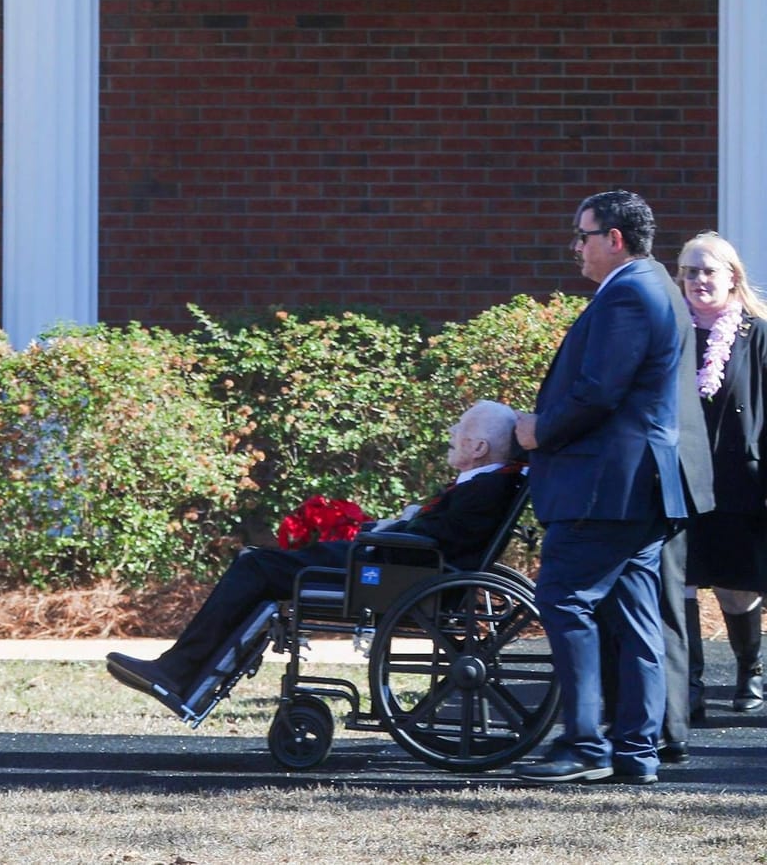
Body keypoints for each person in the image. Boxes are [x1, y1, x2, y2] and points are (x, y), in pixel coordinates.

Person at [106, 400, 529, 711]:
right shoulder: (486, 483)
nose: (451, 433)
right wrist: (397, 524)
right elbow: (440, 532)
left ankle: (177, 672)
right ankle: (181, 675)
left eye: (459, 428)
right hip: (393, 566)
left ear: (477, 447)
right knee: (257, 563)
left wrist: (393, 528)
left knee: (255, 564)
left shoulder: (486, 487)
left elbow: (435, 540)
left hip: (394, 576)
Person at [512, 190, 689, 786]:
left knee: (564, 599)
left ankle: (585, 743)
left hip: (607, 488)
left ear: (614, 238)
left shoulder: (632, 294)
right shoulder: (654, 286)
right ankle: (635, 754)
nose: (575, 247)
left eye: (582, 235)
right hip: (637, 489)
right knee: (636, 620)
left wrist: (539, 431)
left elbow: (598, 393)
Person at [676, 233, 767, 713]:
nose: (698, 280)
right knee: (684, 582)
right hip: (682, 477)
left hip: (737, 479)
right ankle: (689, 683)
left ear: (732, 277)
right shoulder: (672, 330)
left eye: (707, 270)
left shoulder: (757, 333)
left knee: (736, 587)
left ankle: (748, 670)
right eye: (689, 271)